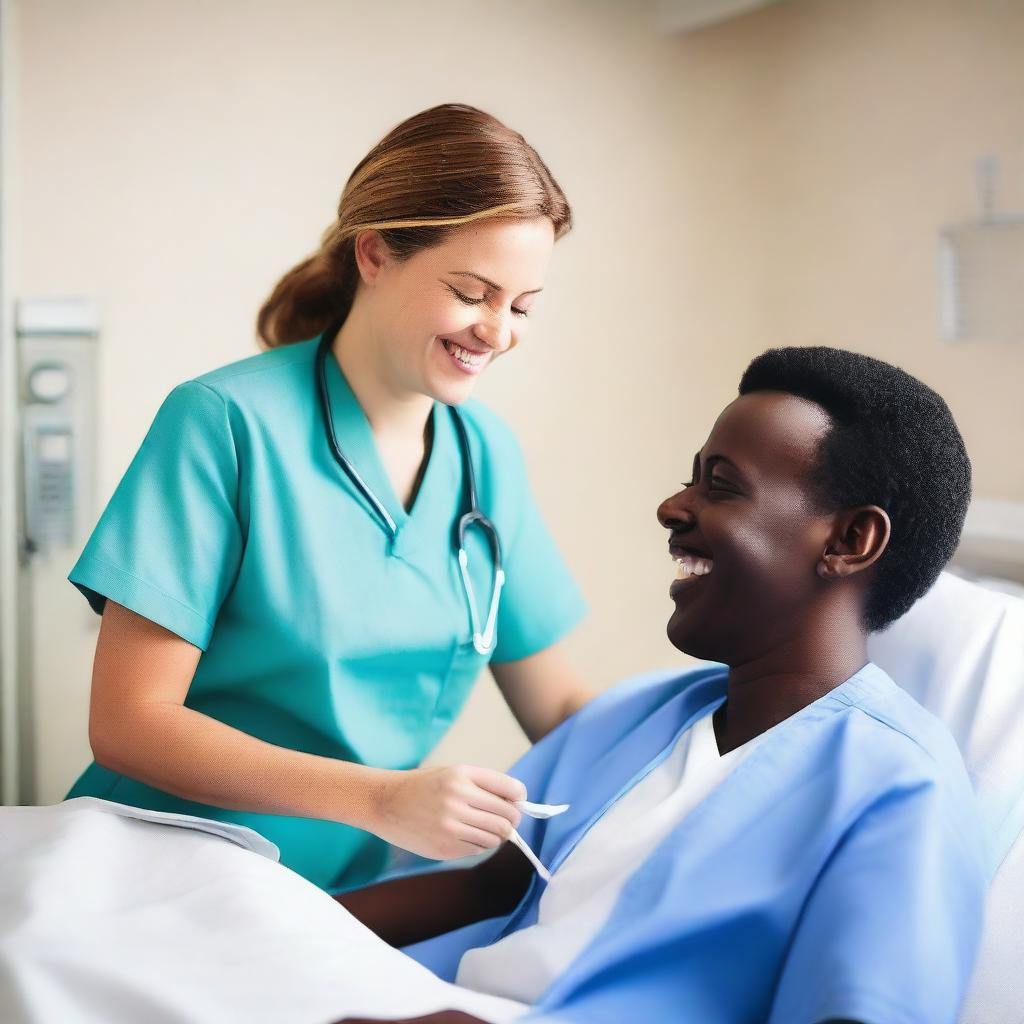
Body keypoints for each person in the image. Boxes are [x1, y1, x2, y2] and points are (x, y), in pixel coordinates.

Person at [331, 346, 988, 1024]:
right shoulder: (633, 714)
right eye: (691, 479)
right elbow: (488, 889)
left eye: (722, 485)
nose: (672, 506)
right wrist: (281, 911)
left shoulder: (900, 792)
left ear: (850, 539)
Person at [64, 103, 592, 892]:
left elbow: (560, 710)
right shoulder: (226, 423)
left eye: (521, 306)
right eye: (473, 292)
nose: (498, 332)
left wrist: (717, 743)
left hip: (336, 893)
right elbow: (130, 724)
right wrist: (382, 799)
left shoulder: (485, 457)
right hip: (158, 867)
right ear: (375, 253)